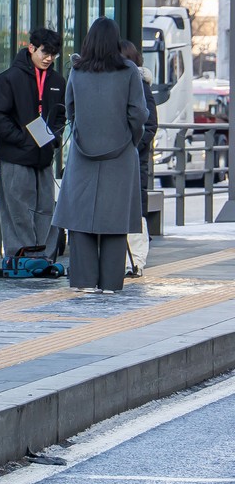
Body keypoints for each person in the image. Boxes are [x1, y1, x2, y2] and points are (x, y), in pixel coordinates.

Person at [56, 17, 147, 295]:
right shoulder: (129, 71)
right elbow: (139, 113)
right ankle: (110, 283)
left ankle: (83, 281)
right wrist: (131, 139)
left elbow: (70, 110)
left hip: (82, 155)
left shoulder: (77, 71)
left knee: (80, 219)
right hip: (120, 157)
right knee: (115, 220)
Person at [0, 27, 67, 260]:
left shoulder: (57, 81)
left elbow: (61, 115)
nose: (48, 58)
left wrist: (54, 139)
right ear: (31, 48)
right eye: (44, 52)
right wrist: (21, 139)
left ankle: (43, 258)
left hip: (43, 156)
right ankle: (20, 257)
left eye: (53, 54)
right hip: (16, 156)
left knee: (46, 209)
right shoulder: (9, 78)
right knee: (18, 209)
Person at [121, 39, 158, 275]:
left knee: (135, 211)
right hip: (123, 157)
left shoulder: (141, 85)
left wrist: (131, 145)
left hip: (134, 159)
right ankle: (125, 260)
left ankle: (136, 261)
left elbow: (150, 124)